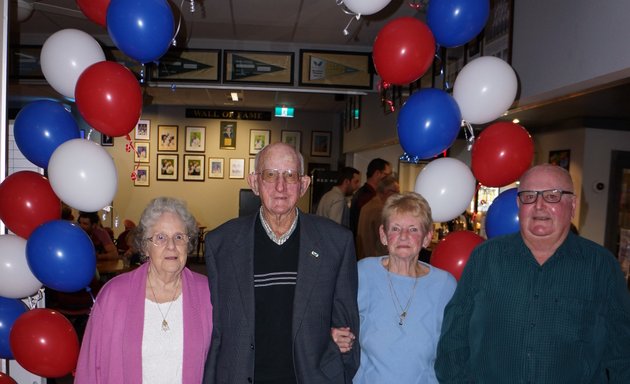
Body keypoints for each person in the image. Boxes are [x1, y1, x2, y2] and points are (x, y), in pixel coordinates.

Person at [435, 164, 630, 383]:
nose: (539, 205)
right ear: (519, 204)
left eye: (552, 196)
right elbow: (453, 338)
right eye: (529, 196)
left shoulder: (601, 267)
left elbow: (622, 352)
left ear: (572, 205)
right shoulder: (486, 259)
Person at [204, 142, 360, 383]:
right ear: (254, 183)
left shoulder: (336, 243)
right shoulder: (221, 244)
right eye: (270, 175)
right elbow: (218, 330)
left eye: (290, 175)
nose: (280, 186)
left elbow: (347, 331)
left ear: (304, 185)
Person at [75, 197, 213, 383]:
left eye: (179, 237)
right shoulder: (114, 295)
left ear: (188, 245)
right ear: (146, 247)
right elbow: (90, 368)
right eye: (160, 237)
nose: (171, 246)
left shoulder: (207, 293)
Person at [334, 192, 456, 383]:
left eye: (414, 229)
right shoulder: (363, 273)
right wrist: (332, 334)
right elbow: (328, 314)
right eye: (396, 228)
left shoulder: (445, 285)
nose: (404, 236)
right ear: (384, 235)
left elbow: (456, 347)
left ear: (427, 237)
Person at [356, 176, 400, 260]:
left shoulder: (368, 205)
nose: (398, 196)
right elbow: (385, 243)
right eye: (396, 192)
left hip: (364, 257)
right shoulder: (381, 210)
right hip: (377, 260)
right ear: (386, 192)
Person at [349, 158, 392, 238]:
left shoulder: (362, 193)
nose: (388, 179)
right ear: (377, 173)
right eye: (386, 175)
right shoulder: (368, 197)